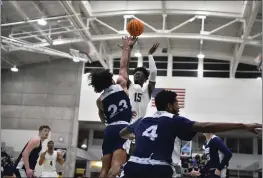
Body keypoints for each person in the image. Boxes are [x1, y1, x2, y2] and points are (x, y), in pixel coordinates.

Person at [119, 90, 262, 178]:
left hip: (132, 167)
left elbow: (122, 133)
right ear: (169, 106)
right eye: (176, 103)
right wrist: (243, 125)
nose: (178, 107)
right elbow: (205, 126)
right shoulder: (174, 120)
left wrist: (134, 136)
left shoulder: (142, 121)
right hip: (158, 169)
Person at [88, 36, 137, 178]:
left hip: (109, 130)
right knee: (116, 166)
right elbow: (123, 65)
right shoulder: (121, 83)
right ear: (110, 78)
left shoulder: (100, 100)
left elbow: (102, 118)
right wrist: (126, 47)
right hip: (123, 128)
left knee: (104, 169)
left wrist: (121, 114)